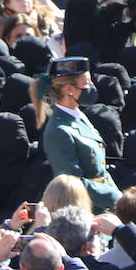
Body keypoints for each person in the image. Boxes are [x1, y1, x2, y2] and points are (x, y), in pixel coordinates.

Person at [30, 57, 120, 211]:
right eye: (86, 84)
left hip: (103, 206)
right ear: (69, 89)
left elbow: (101, 172)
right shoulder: (59, 130)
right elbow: (73, 183)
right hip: (85, 211)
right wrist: (114, 198)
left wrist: (118, 195)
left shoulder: (77, 115)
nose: (91, 88)